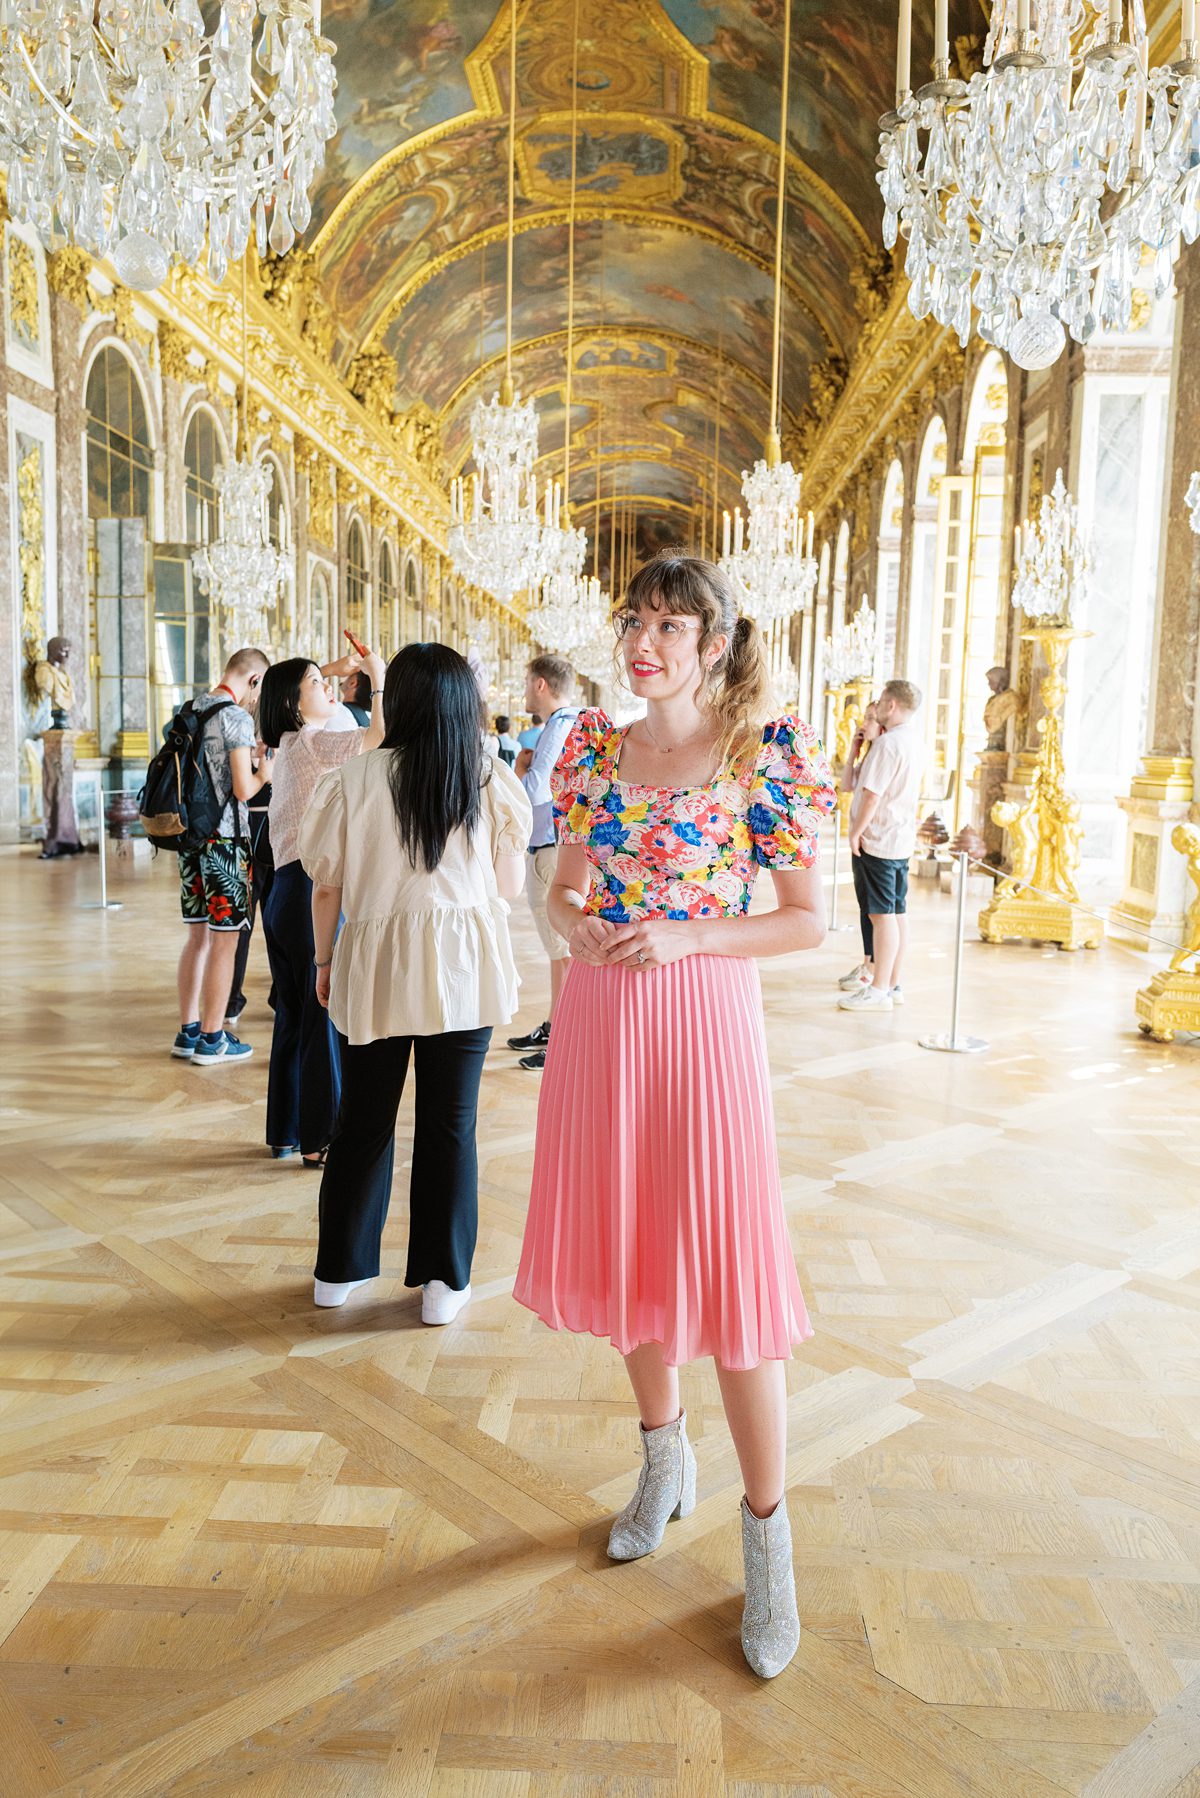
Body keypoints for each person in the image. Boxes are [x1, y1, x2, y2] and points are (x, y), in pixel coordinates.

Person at [513, 553, 835, 1679]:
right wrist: (577, 929)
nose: (645, 640)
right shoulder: (596, 750)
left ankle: (768, 1532)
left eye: (671, 624)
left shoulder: (764, 756)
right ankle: (662, 1457)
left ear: (713, 644)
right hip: (604, 1021)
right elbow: (561, 888)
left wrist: (693, 933)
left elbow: (806, 923)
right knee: (633, 1251)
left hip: (704, 1027)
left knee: (734, 1281)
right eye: (635, 619)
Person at [300, 643, 532, 1325]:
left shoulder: (355, 777)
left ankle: (337, 1274)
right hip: (464, 964)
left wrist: (322, 961)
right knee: (450, 1128)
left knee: (363, 1123)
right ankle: (442, 1281)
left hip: (375, 962)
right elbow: (510, 888)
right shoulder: (487, 776)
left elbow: (326, 886)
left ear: (395, 700)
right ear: (467, 704)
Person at [258, 648, 387, 1164]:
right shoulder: (311, 743)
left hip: (283, 891)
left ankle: (286, 1130)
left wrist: (325, 675)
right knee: (321, 1014)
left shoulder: (290, 743)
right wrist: (375, 679)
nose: (329, 687)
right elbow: (377, 739)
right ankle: (319, 1140)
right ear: (293, 701)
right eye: (316, 683)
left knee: (293, 1015)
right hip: (309, 891)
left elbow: (340, 721)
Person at [173, 647, 271, 1066]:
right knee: (225, 941)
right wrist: (264, 769)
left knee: (197, 938)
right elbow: (243, 788)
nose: (256, 699)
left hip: (190, 840)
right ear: (252, 681)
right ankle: (213, 1038)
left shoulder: (191, 707)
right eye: (258, 689)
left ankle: (189, 1029)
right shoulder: (234, 717)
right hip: (225, 843)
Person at [507, 656, 580, 1071]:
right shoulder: (574, 721)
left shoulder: (558, 723)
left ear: (540, 684)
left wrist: (520, 770)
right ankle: (557, 1026)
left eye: (524, 681)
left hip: (550, 847)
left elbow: (536, 788)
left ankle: (564, 1039)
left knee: (562, 951)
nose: (522, 689)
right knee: (560, 951)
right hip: (554, 844)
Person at [839, 678, 924, 1014]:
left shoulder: (890, 745)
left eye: (881, 700)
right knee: (896, 914)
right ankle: (892, 983)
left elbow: (872, 795)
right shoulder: (913, 740)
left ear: (891, 705)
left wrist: (856, 832)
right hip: (899, 838)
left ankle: (878, 990)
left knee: (881, 915)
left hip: (880, 838)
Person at [837, 699, 883, 998]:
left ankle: (874, 969)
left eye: (869, 719)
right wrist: (854, 749)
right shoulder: (868, 753)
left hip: (872, 839)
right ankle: (868, 962)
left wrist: (855, 833)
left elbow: (870, 797)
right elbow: (846, 785)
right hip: (863, 839)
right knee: (865, 906)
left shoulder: (883, 752)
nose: (863, 724)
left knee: (874, 910)